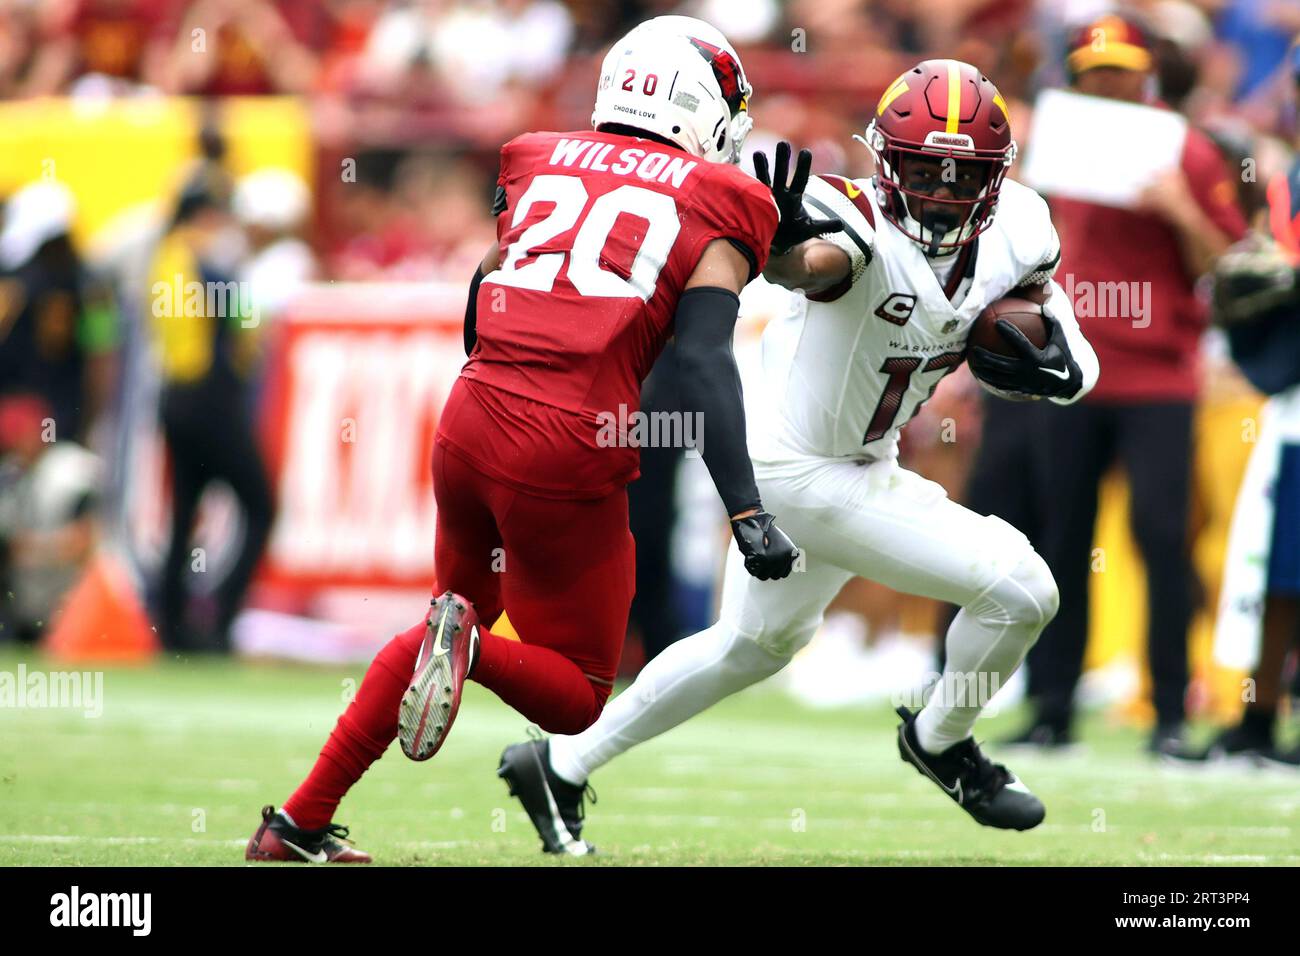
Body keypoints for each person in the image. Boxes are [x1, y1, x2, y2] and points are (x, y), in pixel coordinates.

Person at [498, 58, 1100, 856]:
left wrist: (1064, 371)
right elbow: (813, 266)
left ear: (996, 178)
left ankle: (560, 764)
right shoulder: (849, 220)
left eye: (962, 176)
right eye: (923, 170)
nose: (941, 192)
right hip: (796, 472)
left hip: (860, 462)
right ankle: (943, 739)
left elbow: (1069, 347)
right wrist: (779, 240)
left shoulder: (1023, 227)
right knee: (1023, 589)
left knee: (750, 647)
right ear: (885, 160)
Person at [247, 15, 809, 864]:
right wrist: (748, 510)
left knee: (440, 624)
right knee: (580, 692)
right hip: (565, 443)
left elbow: (484, 289)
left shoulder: (539, 156)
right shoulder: (722, 198)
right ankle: (464, 650)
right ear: (702, 107)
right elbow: (700, 360)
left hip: (470, 419)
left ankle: (296, 823)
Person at [1005, 14, 1248, 755]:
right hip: (1073, 371)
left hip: (1158, 377)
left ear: (1146, 75)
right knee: (1060, 541)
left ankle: (1170, 712)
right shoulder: (1053, 145)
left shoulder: (1189, 152)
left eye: (1120, 70)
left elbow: (1228, 266)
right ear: (1075, 79)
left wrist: (1180, 209)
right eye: (1096, 72)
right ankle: (1052, 708)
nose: (1108, 83)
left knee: (1162, 538)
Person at [150, 165, 275, 653]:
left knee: (184, 514)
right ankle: (220, 619)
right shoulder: (206, 259)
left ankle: (171, 624)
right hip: (211, 401)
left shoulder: (164, 256)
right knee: (261, 505)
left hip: (175, 398)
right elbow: (246, 328)